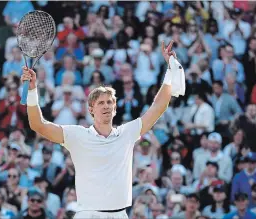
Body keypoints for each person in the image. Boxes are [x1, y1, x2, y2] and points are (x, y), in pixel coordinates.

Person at [20, 40, 185, 218]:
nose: (106, 106)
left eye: (109, 102)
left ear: (115, 108)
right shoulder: (77, 135)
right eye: (101, 102)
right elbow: (38, 125)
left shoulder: (127, 133)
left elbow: (158, 107)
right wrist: (32, 90)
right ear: (91, 109)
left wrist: (170, 70)